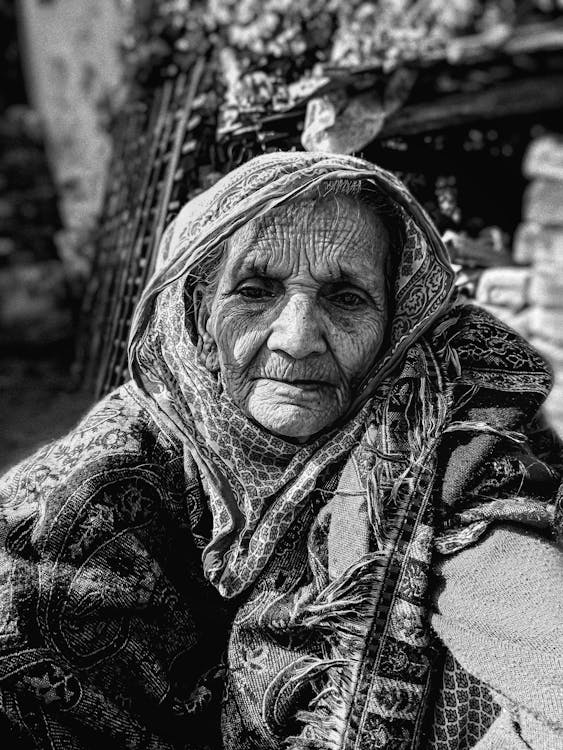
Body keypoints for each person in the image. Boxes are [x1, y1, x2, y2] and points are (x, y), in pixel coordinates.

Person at [0, 152, 561, 749]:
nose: (296, 339)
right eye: (255, 289)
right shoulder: (93, 486)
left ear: (394, 325)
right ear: (199, 315)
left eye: (346, 297)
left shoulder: (439, 438)